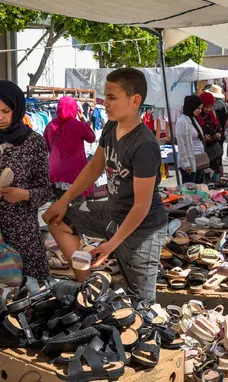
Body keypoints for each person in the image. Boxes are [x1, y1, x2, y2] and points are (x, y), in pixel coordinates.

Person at [43, 68, 167, 302]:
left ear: (135, 100)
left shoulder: (144, 145)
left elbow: (141, 205)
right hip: (112, 213)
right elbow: (94, 167)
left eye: (111, 97)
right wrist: (63, 200)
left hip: (142, 229)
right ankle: (87, 287)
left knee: (143, 306)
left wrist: (110, 245)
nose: (104, 103)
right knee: (55, 219)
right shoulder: (111, 127)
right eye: (105, 96)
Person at [0, 80, 53, 279]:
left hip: (22, 231)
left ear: (17, 108)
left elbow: (47, 189)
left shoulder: (33, 142)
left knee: (29, 289)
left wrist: (25, 194)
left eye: (5, 111)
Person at [43, 96, 96, 202]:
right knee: (77, 207)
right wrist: (83, 120)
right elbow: (92, 138)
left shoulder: (50, 126)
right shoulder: (79, 126)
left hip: (55, 174)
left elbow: (47, 147)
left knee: (58, 205)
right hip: (74, 174)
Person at [176, 95, 205, 183]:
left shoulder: (193, 119)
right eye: (198, 108)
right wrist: (186, 163)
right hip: (189, 161)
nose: (200, 111)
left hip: (198, 159)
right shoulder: (182, 121)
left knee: (197, 189)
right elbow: (181, 144)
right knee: (189, 190)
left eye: (201, 108)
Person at [199, 91, 224, 181]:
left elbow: (218, 127)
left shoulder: (212, 116)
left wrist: (218, 134)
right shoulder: (198, 117)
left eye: (210, 106)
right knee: (205, 175)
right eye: (206, 107)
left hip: (214, 151)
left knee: (215, 173)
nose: (208, 109)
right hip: (205, 151)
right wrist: (203, 136)